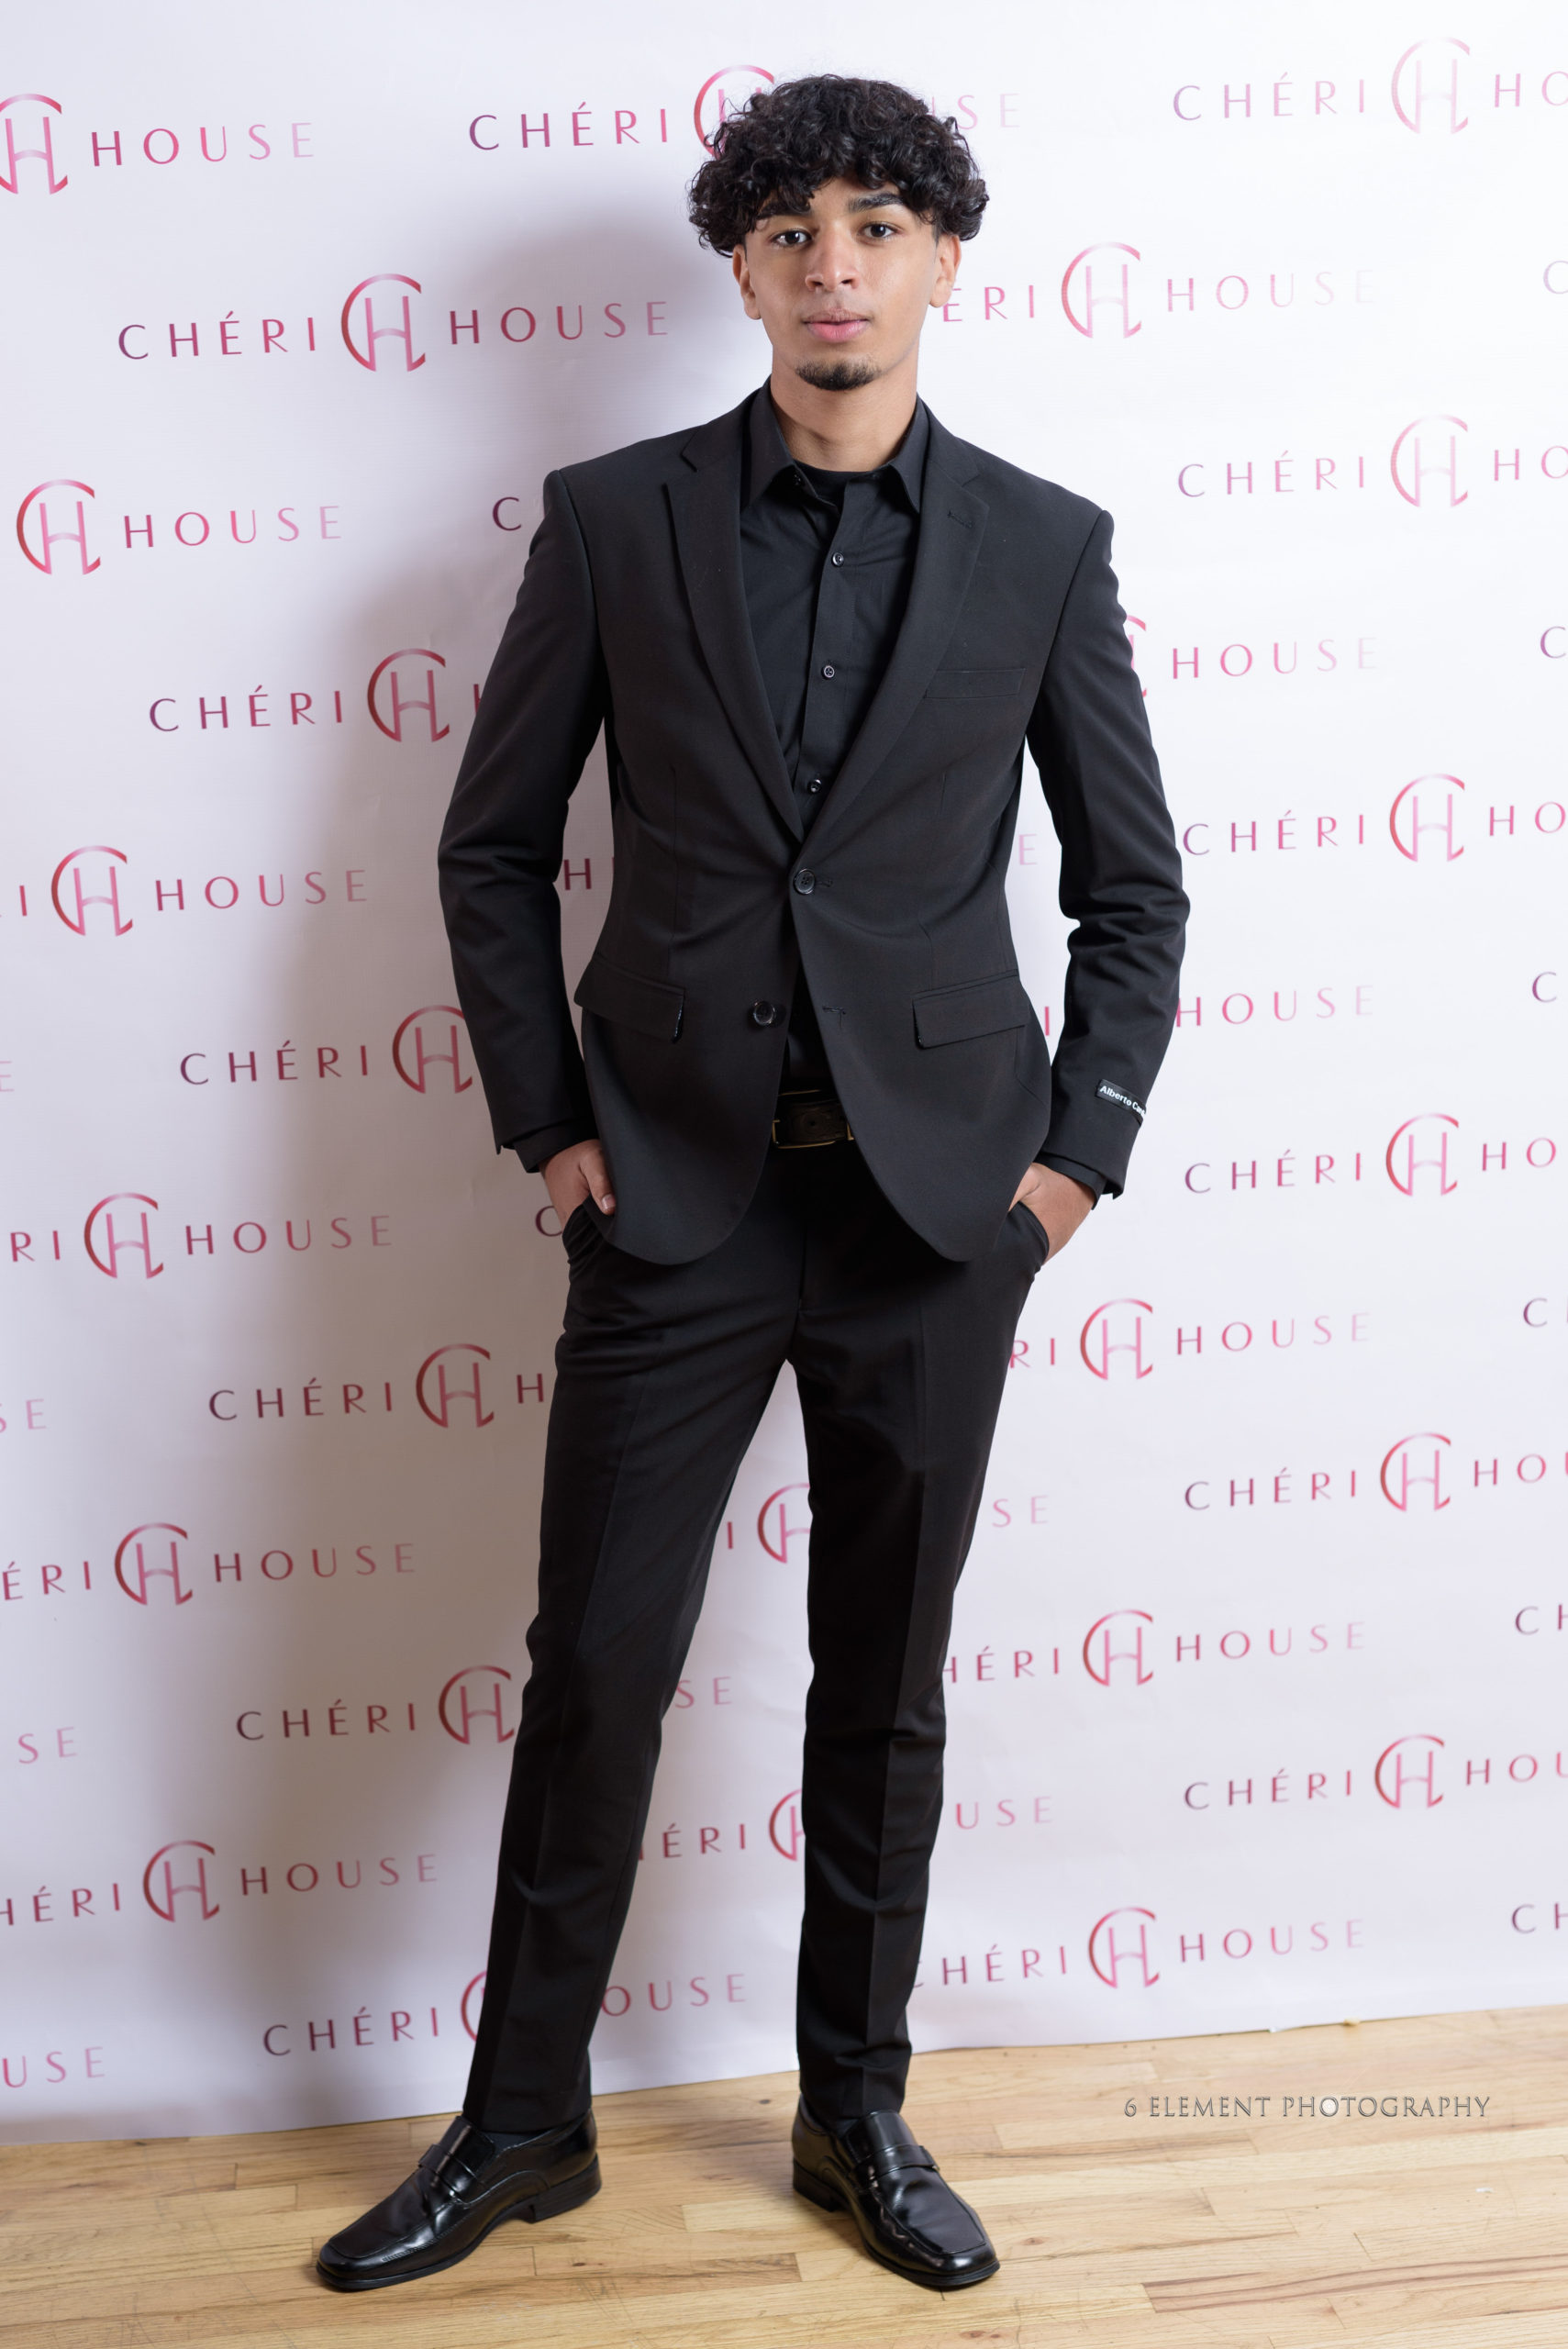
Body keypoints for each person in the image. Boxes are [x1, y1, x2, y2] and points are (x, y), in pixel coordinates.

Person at [317, 73, 1185, 2297]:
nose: (834, 264)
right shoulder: (613, 521)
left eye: (878, 224)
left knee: (882, 1688)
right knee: (596, 1668)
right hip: (674, 1203)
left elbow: (1135, 889)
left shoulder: (1044, 545)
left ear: (943, 262)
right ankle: (525, 2124)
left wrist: (1070, 1169)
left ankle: (852, 2112)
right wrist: (552, 1129)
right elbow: (492, 844)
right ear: (741, 266)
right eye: (791, 227)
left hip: (939, 1219)